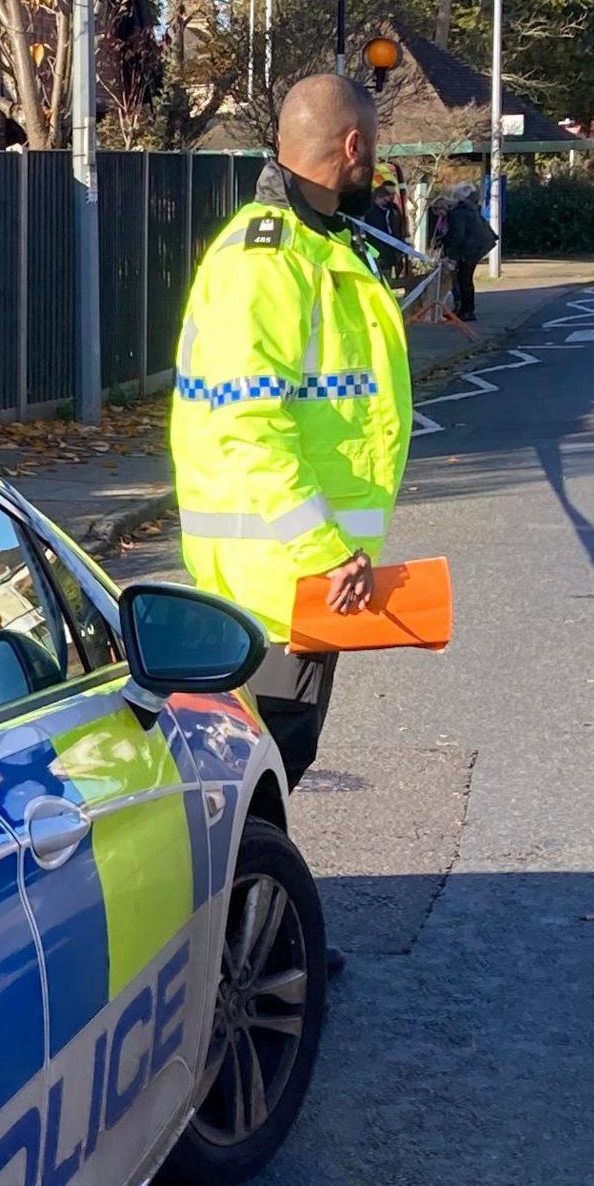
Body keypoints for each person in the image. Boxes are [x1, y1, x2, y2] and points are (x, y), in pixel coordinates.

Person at [168, 72, 415, 780]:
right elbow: (248, 426)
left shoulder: (316, 247)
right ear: (352, 145)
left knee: (267, 778)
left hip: (299, 582)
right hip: (279, 587)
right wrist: (325, 550)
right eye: (374, 146)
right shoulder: (270, 262)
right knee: (262, 779)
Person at [429, 180, 494, 322]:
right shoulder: (463, 209)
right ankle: (463, 309)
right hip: (475, 245)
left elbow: (458, 236)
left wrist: (452, 256)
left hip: (471, 248)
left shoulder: (457, 213)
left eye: (439, 211)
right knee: (462, 278)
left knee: (464, 278)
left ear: (444, 206)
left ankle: (467, 311)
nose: (439, 215)